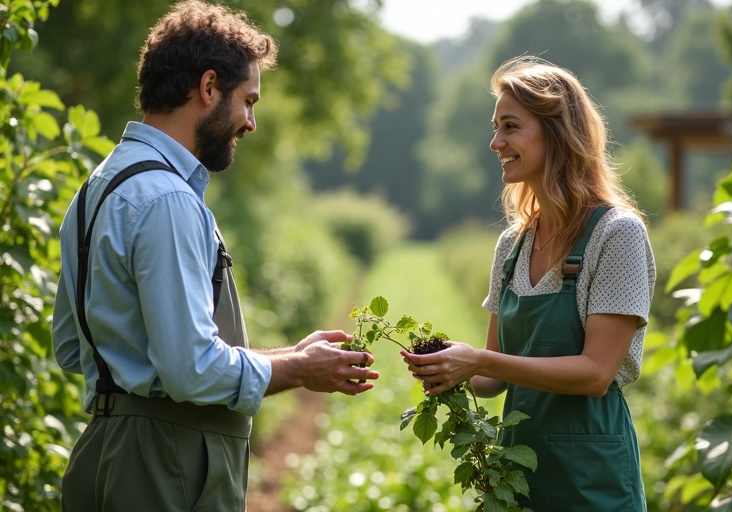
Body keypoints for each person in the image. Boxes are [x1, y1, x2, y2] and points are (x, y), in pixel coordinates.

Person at [51, 1, 378, 511]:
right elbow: (190, 369)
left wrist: (290, 355)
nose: (251, 122)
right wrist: (299, 371)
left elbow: (73, 348)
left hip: (103, 454)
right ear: (208, 87)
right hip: (166, 463)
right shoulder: (168, 199)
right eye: (248, 101)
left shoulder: (98, 187)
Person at [402, 56, 655, 511]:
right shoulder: (512, 245)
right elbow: (491, 378)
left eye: (511, 127)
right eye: (496, 127)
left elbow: (596, 373)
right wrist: (449, 367)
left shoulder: (616, 234)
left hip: (593, 480)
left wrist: (480, 359)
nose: (495, 142)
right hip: (515, 474)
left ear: (557, 133)